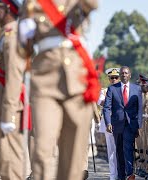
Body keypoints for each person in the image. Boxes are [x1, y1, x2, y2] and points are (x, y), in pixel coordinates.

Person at [18, 0, 100, 179]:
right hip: (45, 78)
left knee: (72, 156)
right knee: (42, 147)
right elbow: (23, 46)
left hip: (77, 78)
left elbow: (93, 5)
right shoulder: (32, 2)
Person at [0, 1, 26, 179]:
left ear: (8, 9)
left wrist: (9, 113)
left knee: (10, 160)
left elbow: (14, 76)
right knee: (4, 160)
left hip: (7, 108)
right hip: (1, 107)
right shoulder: (5, 35)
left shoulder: (12, 36)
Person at [103, 66, 143, 180]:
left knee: (128, 148)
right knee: (119, 151)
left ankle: (130, 174)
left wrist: (139, 125)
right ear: (120, 75)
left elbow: (139, 108)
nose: (124, 75)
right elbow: (106, 107)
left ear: (130, 75)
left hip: (130, 125)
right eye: (122, 73)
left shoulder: (137, 89)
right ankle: (121, 176)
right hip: (117, 124)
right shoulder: (112, 89)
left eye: (126, 73)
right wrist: (108, 123)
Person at [97, 68, 120, 180]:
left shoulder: (123, 90)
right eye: (112, 78)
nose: (114, 79)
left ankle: (121, 173)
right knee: (111, 151)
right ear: (109, 79)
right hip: (109, 123)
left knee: (121, 149)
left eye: (116, 77)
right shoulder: (104, 91)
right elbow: (100, 101)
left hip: (120, 123)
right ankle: (113, 175)